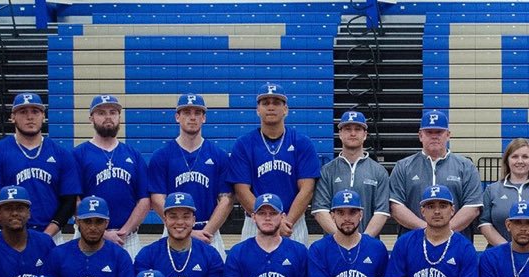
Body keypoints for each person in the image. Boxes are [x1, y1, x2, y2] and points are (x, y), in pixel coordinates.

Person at [228, 83, 319, 244]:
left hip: (292, 223)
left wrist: (285, 222)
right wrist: (265, 219)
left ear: (286, 109)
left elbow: (307, 189)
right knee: (252, 268)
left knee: (295, 269)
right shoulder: (243, 144)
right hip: (255, 222)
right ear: (257, 109)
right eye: (265, 103)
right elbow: (241, 190)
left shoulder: (302, 143)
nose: (271, 107)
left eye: (276, 102)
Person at [0, 92, 80, 237]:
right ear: (12, 117)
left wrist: (46, 235)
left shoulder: (61, 154)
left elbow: (69, 201)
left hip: (50, 235)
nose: (30, 117)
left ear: (43, 116)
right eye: (23, 112)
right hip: (9, 234)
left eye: (35, 111)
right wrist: (16, 230)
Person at [146, 93, 231, 255]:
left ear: (204, 118)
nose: (192, 117)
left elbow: (226, 200)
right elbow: (157, 199)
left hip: (209, 232)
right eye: (186, 112)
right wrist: (186, 231)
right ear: (177, 117)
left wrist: (206, 232)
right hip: (173, 231)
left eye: (197, 113)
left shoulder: (219, 155)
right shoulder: (162, 155)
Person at [387, 110, 484, 233]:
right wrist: (427, 230)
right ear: (420, 135)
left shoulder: (466, 167)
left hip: (455, 243)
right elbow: (395, 206)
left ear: (448, 135)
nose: (434, 136)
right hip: (413, 242)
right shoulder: (403, 166)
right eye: (429, 132)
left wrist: (444, 231)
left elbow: (472, 207)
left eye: (439, 132)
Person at [73, 94, 148, 255]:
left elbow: (144, 200)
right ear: (91, 118)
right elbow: (74, 200)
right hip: (88, 237)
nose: (108, 117)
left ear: (119, 117)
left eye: (113, 112)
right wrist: (103, 233)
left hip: (127, 239)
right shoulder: (78, 154)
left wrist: (124, 232)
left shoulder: (133, 155)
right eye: (101, 113)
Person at [312, 111, 391, 238]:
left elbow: (381, 212)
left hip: (368, 244)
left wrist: (363, 241)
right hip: (333, 245)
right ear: (340, 134)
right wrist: (341, 238)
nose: (353, 133)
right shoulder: (327, 171)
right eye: (348, 129)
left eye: (358, 129)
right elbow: (320, 210)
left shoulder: (379, 171)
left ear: (365, 135)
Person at [478, 138, 529, 247]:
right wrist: (507, 249)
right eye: (515, 156)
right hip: (500, 255)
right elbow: (485, 223)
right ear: (507, 160)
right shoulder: (492, 190)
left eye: (525, 157)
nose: (520, 161)